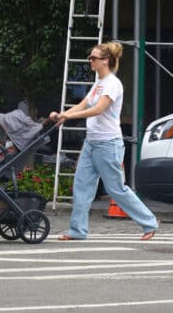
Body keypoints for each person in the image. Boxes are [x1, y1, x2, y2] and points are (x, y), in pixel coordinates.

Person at [50, 41, 159, 241]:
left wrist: (70, 118)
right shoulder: (98, 84)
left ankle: (149, 223)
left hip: (108, 144)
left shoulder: (112, 84)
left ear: (105, 61)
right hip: (91, 143)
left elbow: (98, 109)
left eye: (94, 58)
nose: (90, 61)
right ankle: (77, 231)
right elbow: (84, 104)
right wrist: (64, 115)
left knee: (116, 189)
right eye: (90, 57)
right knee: (81, 186)